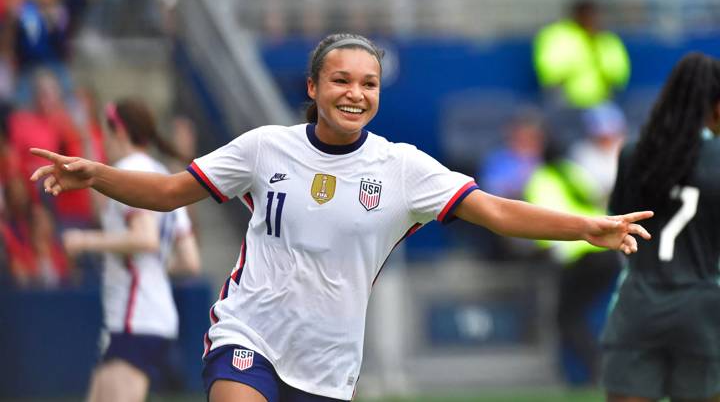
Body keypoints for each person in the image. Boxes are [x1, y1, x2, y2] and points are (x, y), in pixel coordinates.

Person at [29, 33, 652, 402]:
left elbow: (494, 210)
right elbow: (168, 192)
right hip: (250, 334)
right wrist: (97, 173)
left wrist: (587, 227)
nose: (356, 93)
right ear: (312, 87)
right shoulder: (263, 147)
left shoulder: (403, 167)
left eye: (369, 84)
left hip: (329, 363)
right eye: (341, 80)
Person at [58, 98, 201, 402]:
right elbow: (189, 260)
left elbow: (145, 238)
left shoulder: (126, 173)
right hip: (148, 318)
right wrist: (147, 266)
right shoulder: (163, 176)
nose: (103, 141)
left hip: (135, 319)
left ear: (118, 132)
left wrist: (84, 241)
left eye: (104, 132)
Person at [601, 52, 720, 402]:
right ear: (716, 106)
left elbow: (617, 227)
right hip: (705, 308)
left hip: (639, 303)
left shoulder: (633, 153)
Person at [524, 137, 621, 385]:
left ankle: (593, 370)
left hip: (579, 257)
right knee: (587, 314)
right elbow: (599, 199)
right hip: (606, 252)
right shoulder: (575, 172)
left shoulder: (540, 179)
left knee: (566, 318)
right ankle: (599, 368)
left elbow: (539, 223)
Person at [533, 0, 630, 109]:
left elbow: (619, 77)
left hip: (602, 102)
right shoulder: (556, 36)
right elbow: (550, 75)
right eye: (587, 15)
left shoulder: (608, 40)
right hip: (564, 102)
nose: (591, 19)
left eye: (594, 15)